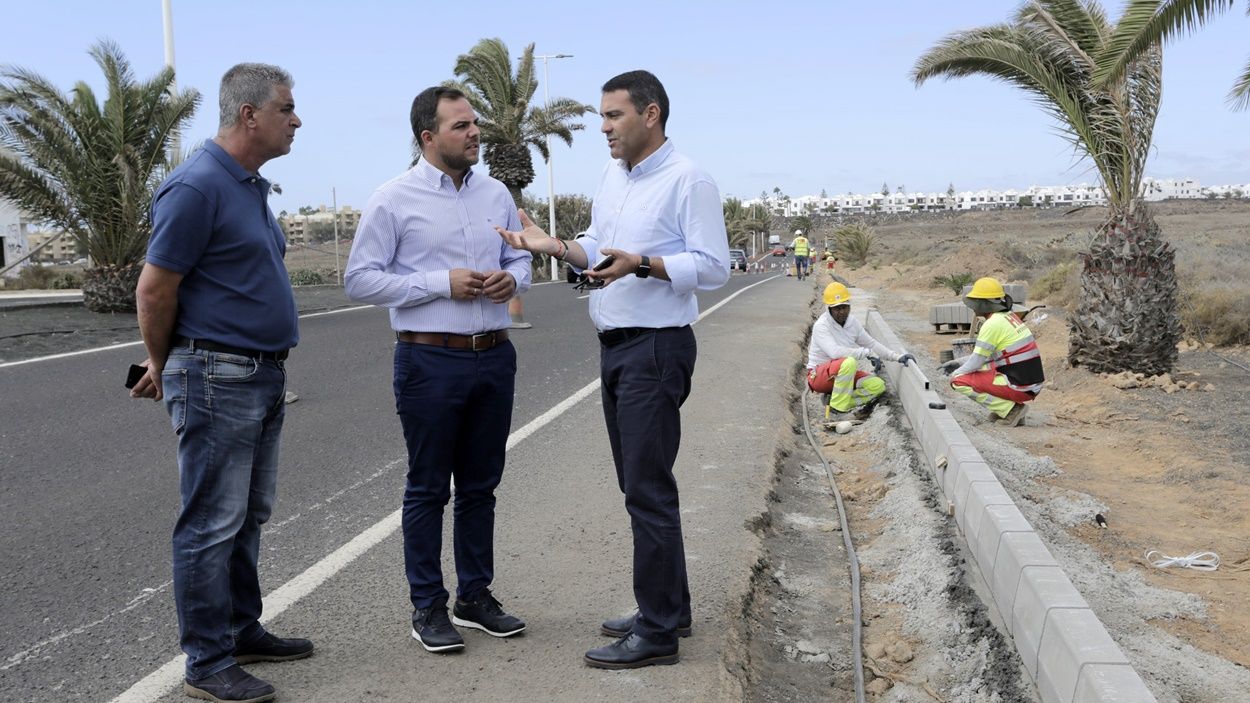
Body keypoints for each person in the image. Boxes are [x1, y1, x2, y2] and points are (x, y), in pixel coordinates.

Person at [496, 69, 729, 669]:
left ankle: (656, 635)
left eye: (613, 116)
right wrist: (553, 247)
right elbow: (600, 246)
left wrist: (645, 264)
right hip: (618, 346)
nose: (602, 128)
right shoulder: (614, 176)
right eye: (601, 116)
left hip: (655, 347)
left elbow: (713, 268)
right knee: (639, 486)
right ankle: (668, 609)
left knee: (648, 491)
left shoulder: (688, 179)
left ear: (650, 114)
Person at [130, 63, 310, 703]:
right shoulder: (198, 186)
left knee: (247, 515)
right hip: (216, 373)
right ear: (249, 115)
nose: (297, 119)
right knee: (211, 521)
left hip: (258, 373)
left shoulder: (251, 186)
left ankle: (239, 627)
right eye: (286, 108)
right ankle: (207, 660)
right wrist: (164, 360)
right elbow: (155, 289)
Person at [344, 86, 532, 654]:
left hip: (493, 355)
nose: (474, 133)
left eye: (474, 123)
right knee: (429, 488)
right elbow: (360, 279)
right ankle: (427, 606)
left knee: (481, 486)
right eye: (460, 126)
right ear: (428, 137)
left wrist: (514, 278)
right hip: (429, 358)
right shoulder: (393, 200)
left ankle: (475, 597)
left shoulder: (496, 193)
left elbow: (519, 254)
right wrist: (436, 282)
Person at [944, 277, 1043, 427]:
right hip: (1029, 382)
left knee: (958, 381)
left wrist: (955, 372)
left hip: (1020, 385)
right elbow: (985, 357)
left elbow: (977, 361)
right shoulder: (1008, 317)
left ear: (985, 303)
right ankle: (1006, 409)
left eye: (977, 301)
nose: (973, 306)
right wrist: (959, 363)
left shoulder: (992, 324)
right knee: (981, 370)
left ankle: (1011, 410)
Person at [806, 282, 914, 419]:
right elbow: (835, 352)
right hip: (819, 376)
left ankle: (835, 401)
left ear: (849, 305)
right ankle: (837, 410)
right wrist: (866, 353)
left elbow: (871, 343)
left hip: (843, 374)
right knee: (849, 362)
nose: (841, 311)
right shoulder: (821, 326)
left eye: (844, 307)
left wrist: (897, 357)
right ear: (829, 309)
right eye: (837, 308)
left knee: (877, 385)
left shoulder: (852, 323)